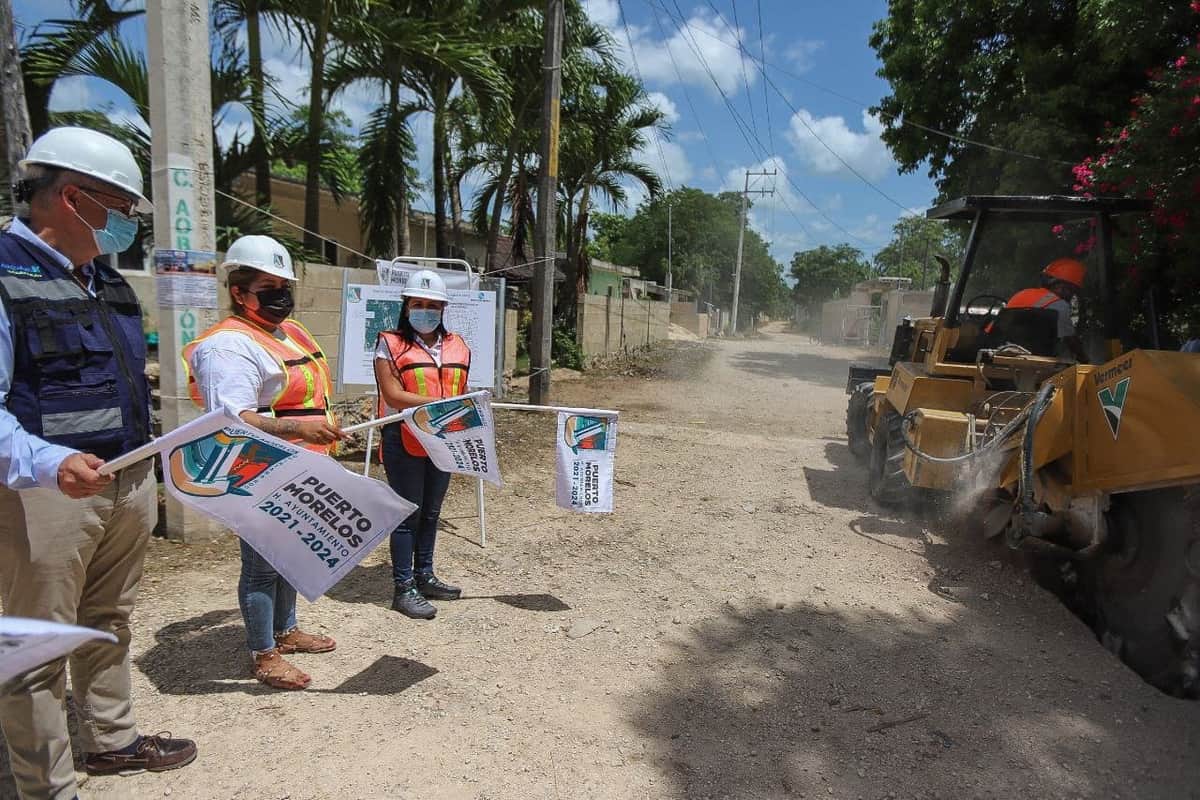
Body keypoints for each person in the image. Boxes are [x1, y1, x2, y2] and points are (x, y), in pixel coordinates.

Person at [0, 127, 196, 799]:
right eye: (123, 208)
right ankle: (46, 786)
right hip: (44, 494)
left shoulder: (107, 283)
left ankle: (110, 743)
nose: (128, 224)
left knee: (108, 619)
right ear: (71, 198)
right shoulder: (2, 276)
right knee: (37, 647)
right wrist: (49, 462)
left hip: (126, 480)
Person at [183, 235, 344, 690]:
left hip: (298, 464)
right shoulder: (227, 346)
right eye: (268, 287)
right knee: (261, 566)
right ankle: (264, 652)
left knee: (289, 556)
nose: (281, 296)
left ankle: (287, 630)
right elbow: (231, 421)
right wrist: (299, 430)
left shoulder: (285, 332)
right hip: (256, 469)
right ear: (238, 291)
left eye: (284, 286)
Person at [374, 269, 470, 620]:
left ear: (443, 308)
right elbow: (392, 394)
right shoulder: (390, 343)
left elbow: (461, 391)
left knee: (431, 512)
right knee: (406, 515)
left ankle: (424, 575)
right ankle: (404, 587)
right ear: (406, 306)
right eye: (418, 304)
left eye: (433, 305)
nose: (425, 310)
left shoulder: (458, 344)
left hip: (442, 440)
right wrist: (434, 406)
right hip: (404, 439)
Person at [1001, 257, 1089, 362]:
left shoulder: (1022, 294)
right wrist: (1086, 361)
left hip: (1001, 353)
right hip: (1032, 363)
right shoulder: (1059, 305)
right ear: (1063, 287)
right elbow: (1071, 341)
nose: (1071, 296)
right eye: (1072, 291)